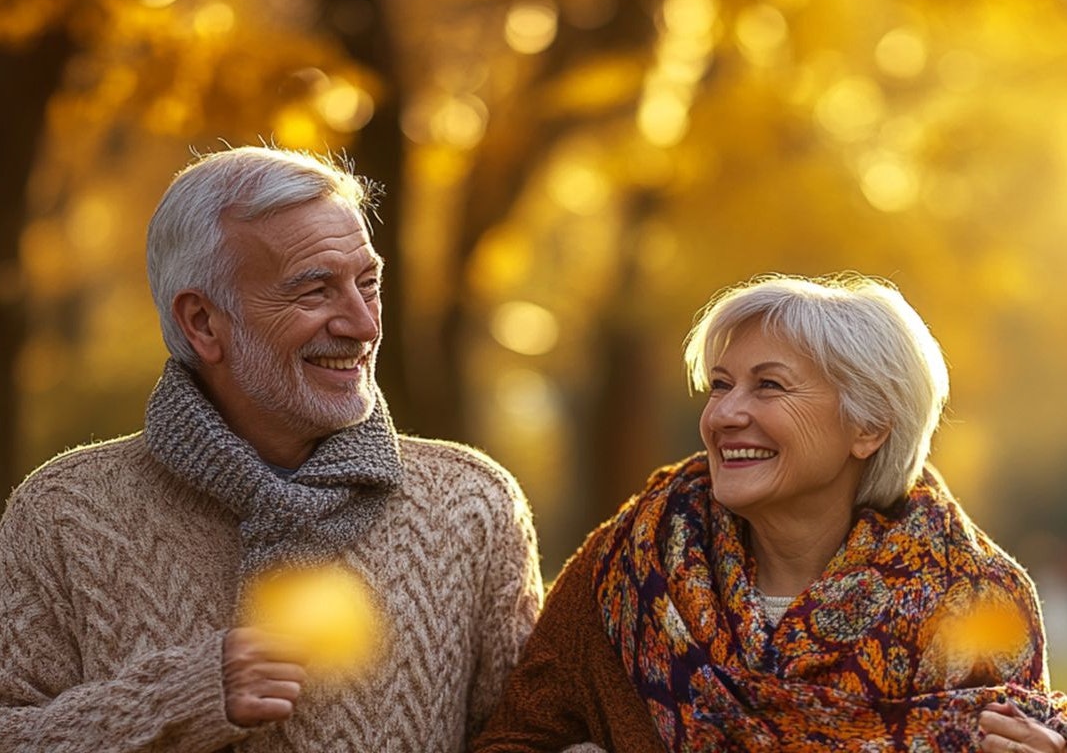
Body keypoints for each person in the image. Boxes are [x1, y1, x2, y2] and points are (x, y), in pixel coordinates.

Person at [0, 145, 543, 752]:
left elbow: (530, 737)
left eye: (369, 283)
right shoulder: (63, 514)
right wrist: (178, 700)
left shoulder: (473, 505)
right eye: (314, 292)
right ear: (202, 323)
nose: (363, 325)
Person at [474, 273, 1067, 752]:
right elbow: (515, 738)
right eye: (720, 385)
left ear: (868, 427)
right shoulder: (628, 564)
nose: (725, 414)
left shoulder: (977, 598)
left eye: (769, 387)